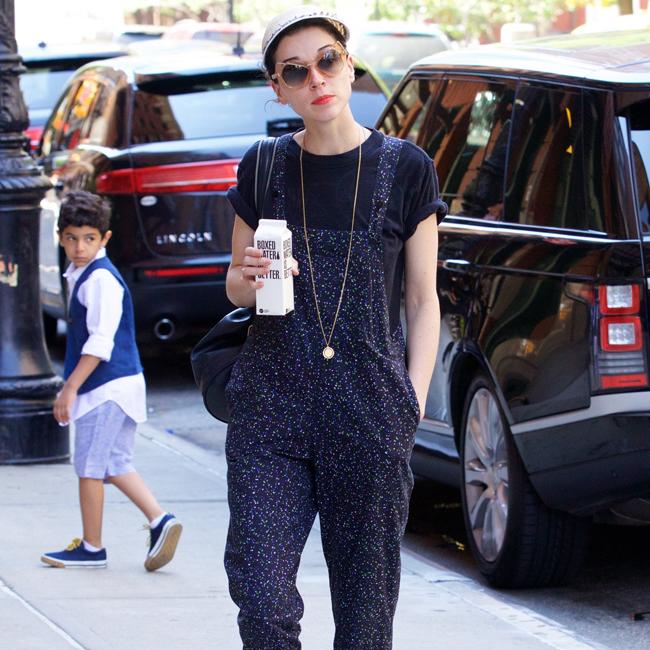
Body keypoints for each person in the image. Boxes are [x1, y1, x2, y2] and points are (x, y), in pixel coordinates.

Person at [224, 6, 442, 648]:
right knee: (262, 602)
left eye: (327, 60)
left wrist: (411, 402)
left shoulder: (407, 168)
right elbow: (234, 284)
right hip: (271, 409)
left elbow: (422, 300)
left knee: (365, 618)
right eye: (295, 71)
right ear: (278, 88)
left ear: (349, 66)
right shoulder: (263, 166)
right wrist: (254, 276)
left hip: (369, 410)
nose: (315, 78)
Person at [41, 190, 182, 571]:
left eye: (89, 238)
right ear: (60, 237)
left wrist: (69, 388)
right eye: (71, 238)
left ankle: (92, 548)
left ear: (104, 238)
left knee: (89, 468)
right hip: (120, 386)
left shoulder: (99, 280)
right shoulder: (83, 275)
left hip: (106, 389)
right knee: (114, 463)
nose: (79, 247)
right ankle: (161, 520)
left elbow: (100, 343)